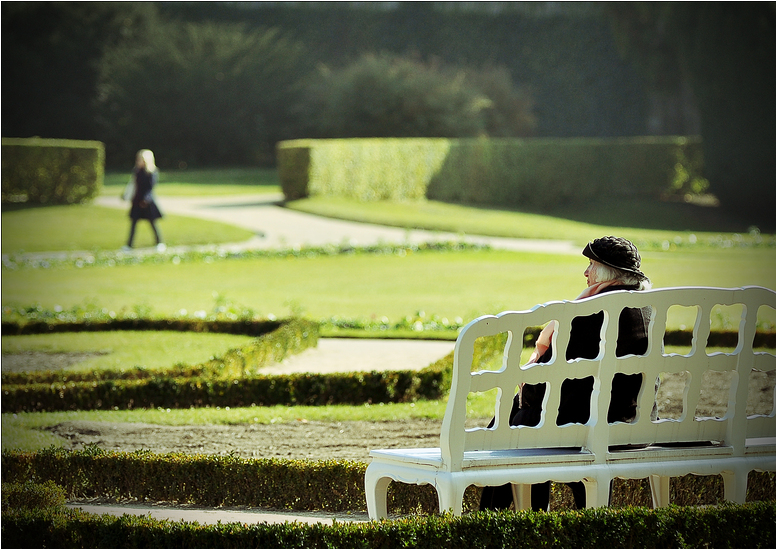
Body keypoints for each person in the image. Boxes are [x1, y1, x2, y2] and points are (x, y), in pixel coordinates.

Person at [480, 236, 652, 512]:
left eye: (592, 265)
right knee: (520, 416)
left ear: (609, 272)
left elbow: (542, 379)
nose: (586, 272)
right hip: (633, 427)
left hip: (585, 431)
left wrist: (524, 395)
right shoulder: (648, 309)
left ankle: (493, 521)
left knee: (517, 420)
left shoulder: (589, 312)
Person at [123, 149, 165, 251]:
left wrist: (145, 199)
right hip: (137, 201)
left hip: (147, 202)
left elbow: (150, 187)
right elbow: (133, 185)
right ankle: (129, 245)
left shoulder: (151, 172)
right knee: (133, 223)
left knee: (152, 223)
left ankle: (159, 243)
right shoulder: (137, 171)